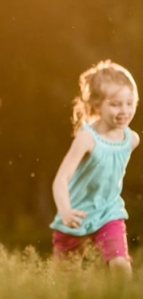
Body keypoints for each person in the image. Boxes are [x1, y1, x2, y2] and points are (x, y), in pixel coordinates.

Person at [50, 60, 138, 276]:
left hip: (109, 213)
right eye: (116, 104)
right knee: (64, 281)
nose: (124, 110)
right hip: (76, 215)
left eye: (130, 103)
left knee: (121, 267)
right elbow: (61, 179)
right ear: (97, 105)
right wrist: (65, 211)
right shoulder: (87, 138)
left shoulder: (131, 139)